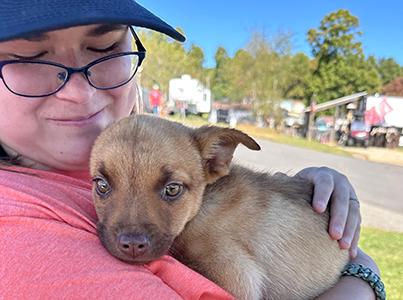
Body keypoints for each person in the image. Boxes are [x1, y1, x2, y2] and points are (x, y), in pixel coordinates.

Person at [0, 1, 383, 299]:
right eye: (30, 59)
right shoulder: (17, 237)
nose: (80, 91)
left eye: (104, 46)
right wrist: (362, 275)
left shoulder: (155, 158)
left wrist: (306, 192)